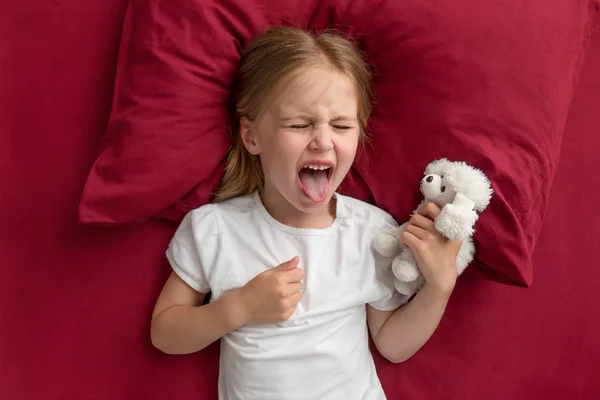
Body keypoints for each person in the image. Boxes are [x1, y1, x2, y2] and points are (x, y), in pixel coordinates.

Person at [150, 26, 461, 400]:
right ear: (252, 137)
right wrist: (237, 308)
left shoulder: (371, 232)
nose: (323, 140)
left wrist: (439, 288)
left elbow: (393, 344)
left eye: (342, 125)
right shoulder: (215, 230)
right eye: (299, 124)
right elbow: (165, 332)